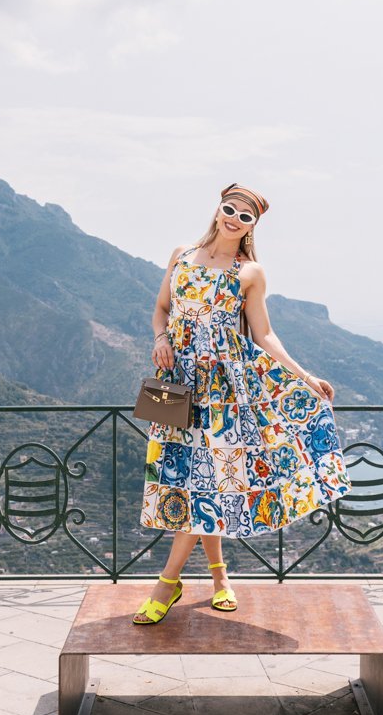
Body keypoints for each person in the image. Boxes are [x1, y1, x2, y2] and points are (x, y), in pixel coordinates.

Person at [133, 181, 354, 624]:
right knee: (193, 482)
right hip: (178, 385)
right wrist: (160, 339)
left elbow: (263, 335)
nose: (234, 217)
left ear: (253, 225)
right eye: (229, 208)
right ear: (218, 209)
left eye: (245, 215)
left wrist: (306, 377)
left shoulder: (249, 271)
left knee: (208, 483)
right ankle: (219, 577)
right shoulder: (180, 254)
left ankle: (167, 584)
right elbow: (161, 309)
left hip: (226, 393)